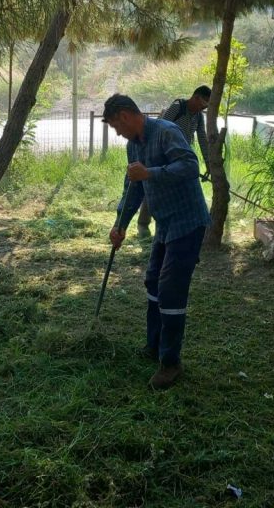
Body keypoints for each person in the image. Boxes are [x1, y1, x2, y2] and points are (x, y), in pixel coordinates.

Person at [103, 93, 211, 390]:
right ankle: (154, 346)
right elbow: (133, 190)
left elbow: (189, 165)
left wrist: (151, 172)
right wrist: (119, 225)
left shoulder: (166, 132)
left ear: (125, 116)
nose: (117, 132)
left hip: (188, 222)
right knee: (153, 282)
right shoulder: (132, 146)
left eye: (115, 126)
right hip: (165, 225)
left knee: (170, 288)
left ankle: (171, 363)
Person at [136, 85, 212, 236]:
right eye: (203, 104)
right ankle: (143, 224)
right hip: (163, 154)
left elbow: (202, 137)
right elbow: (159, 128)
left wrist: (208, 161)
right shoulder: (177, 107)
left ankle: (174, 224)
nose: (203, 108)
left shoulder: (198, 116)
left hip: (181, 158)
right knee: (155, 187)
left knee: (180, 190)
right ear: (196, 98)